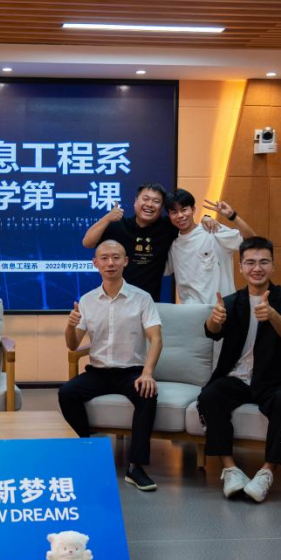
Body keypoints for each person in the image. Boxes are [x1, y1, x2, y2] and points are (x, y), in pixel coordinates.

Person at [197, 237, 281, 503]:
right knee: (210, 395)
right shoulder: (232, 302)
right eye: (251, 262)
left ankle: (267, 472)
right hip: (238, 378)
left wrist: (272, 315)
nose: (257, 268)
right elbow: (212, 332)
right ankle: (230, 469)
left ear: (273, 265)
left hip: (274, 379)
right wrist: (214, 319)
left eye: (264, 262)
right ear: (241, 267)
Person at [58, 240, 163, 492]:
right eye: (104, 258)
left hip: (132, 371)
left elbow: (156, 338)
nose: (110, 263)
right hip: (99, 372)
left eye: (116, 257)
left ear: (125, 261)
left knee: (147, 394)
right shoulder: (87, 300)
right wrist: (70, 325)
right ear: (95, 263)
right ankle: (87, 453)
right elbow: (72, 345)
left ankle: (136, 466)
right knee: (67, 393)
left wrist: (148, 373)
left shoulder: (142, 298)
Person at [82, 182, 219, 302]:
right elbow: (88, 243)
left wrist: (206, 218)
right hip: (118, 299)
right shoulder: (119, 225)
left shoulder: (168, 226)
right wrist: (106, 218)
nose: (149, 204)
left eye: (156, 201)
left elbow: (188, 224)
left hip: (150, 303)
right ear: (136, 201)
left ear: (161, 207)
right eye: (145, 199)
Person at [164, 188, 256, 305]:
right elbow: (163, 270)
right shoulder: (174, 245)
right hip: (191, 313)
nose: (180, 215)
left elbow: (252, 241)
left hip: (223, 309)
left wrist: (232, 216)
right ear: (169, 215)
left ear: (193, 210)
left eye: (184, 210)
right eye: (174, 212)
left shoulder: (212, 230)